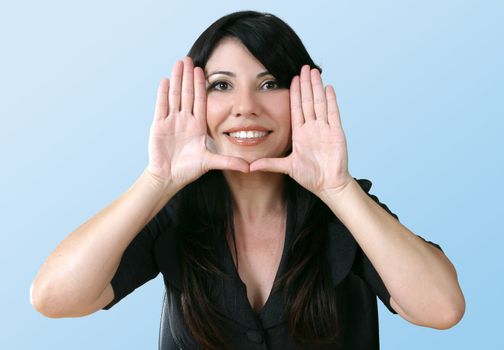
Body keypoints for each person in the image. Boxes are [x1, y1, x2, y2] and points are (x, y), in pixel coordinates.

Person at [30, 10, 465, 350]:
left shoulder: (344, 209)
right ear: (196, 99)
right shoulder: (175, 210)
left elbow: (442, 309)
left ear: (300, 96)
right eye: (221, 86)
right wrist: (157, 179)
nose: (245, 107)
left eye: (270, 83)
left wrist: (337, 188)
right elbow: (54, 298)